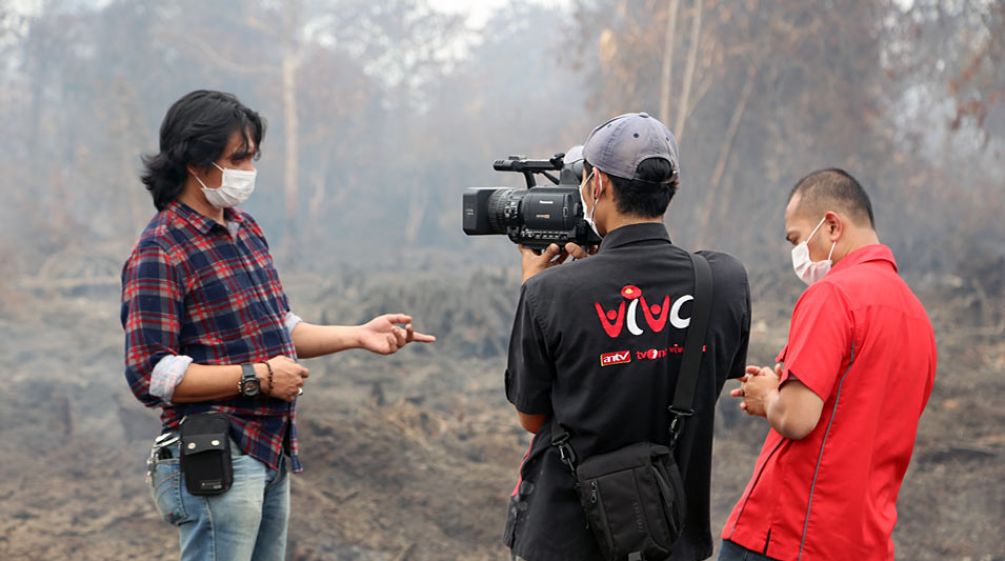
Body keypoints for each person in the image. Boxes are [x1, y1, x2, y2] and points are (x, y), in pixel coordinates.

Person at [121, 89, 435, 561]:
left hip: (269, 448)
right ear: (195, 161)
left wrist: (357, 335)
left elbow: (278, 328)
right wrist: (259, 378)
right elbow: (152, 374)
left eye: (252, 157)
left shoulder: (244, 229)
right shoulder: (160, 250)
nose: (248, 170)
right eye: (237, 158)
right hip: (217, 453)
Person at [503, 112, 751, 561]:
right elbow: (705, 373)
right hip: (671, 538)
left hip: (566, 539)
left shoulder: (549, 294)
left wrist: (536, 288)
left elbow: (533, 418)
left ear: (595, 185)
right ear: (671, 188)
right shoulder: (724, 281)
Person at [719, 169, 937, 561]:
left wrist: (770, 396)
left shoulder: (833, 295)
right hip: (865, 541)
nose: (797, 254)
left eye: (798, 239)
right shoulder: (917, 317)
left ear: (832, 225)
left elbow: (798, 418)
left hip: (792, 534)